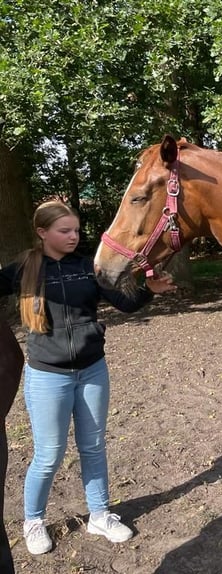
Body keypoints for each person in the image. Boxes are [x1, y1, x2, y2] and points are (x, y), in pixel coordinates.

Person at [0, 200, 176, 555]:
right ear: (42, 232)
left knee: (93, 448)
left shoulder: (88, 267)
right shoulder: (22, 268)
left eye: (76, 230)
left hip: (93, 371)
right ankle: (33, 521)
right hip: (47, 377)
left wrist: (149, 292)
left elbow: (123, 303)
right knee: (49, 454)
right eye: (64, 231)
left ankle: (100, 514)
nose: (73, 236)